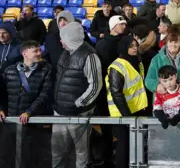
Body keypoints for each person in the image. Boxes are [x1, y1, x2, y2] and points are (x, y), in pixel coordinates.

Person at [0, 40, 53, 167]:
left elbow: (44, 94)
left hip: (32, 122)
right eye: (35, 51)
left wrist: (30, 111)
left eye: (39, 50)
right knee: (5, 155)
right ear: (25, 53)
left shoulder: (46, 70)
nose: (39, 53)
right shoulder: (9, 70)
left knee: (29, 156)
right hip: (9, 121)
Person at [52, 22, 103, 168]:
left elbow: (95, 85)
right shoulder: (66, 52)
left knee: (81, 153)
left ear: (71, 38)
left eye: (63, 38)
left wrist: (79, 103)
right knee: (57, 152)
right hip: (59, 112)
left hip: (79, 114)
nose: (60, 41)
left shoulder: (90, 56)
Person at [106, 37, 148, 168]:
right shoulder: (117, 66)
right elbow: (116, 93)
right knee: (124, 145)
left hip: (138, 111)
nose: (135, 48)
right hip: (122, 114)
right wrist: (127, 116)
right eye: (131, 46)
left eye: (135, 45)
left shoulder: (138, 62)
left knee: (137, 145)